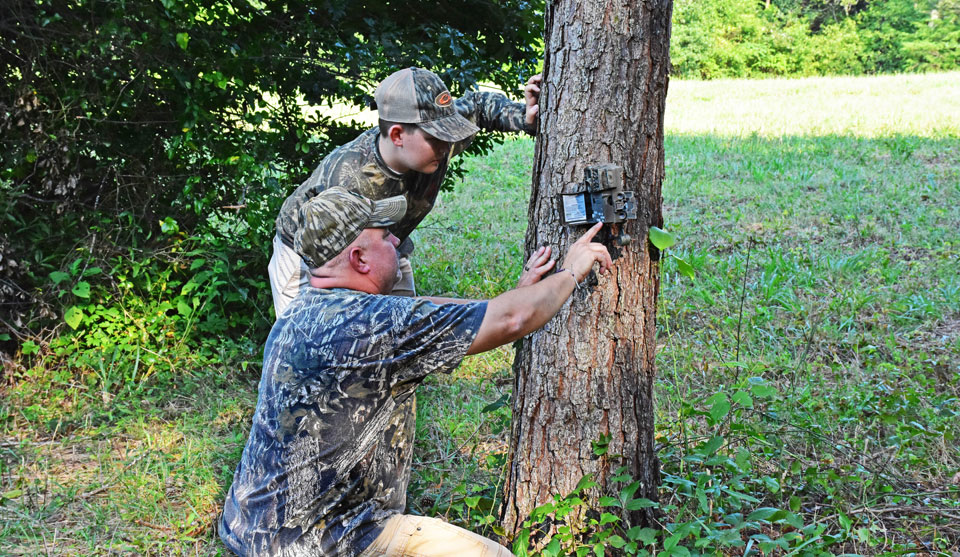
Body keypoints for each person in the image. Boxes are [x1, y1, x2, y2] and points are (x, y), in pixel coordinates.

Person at [221, 187, 613, 556]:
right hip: (328, 539)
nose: (397, 241)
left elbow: (442, 314)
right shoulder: (373, 325)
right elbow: (512, 320)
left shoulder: (305, 309)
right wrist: (572, 271)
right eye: (385, 236)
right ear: (359, 258)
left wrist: (515, 292)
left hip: (251, 529)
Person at [269, 66, 543, 316]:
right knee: (331, 347)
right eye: (437, 138)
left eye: (450, 133)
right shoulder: (351, 183)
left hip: (386, 242)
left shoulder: (430, 140)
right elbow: (338, 266)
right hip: (315, 257)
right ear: (398, 135)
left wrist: (524, 117)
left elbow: (480, 106)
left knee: (405, 333)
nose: (447, 145)